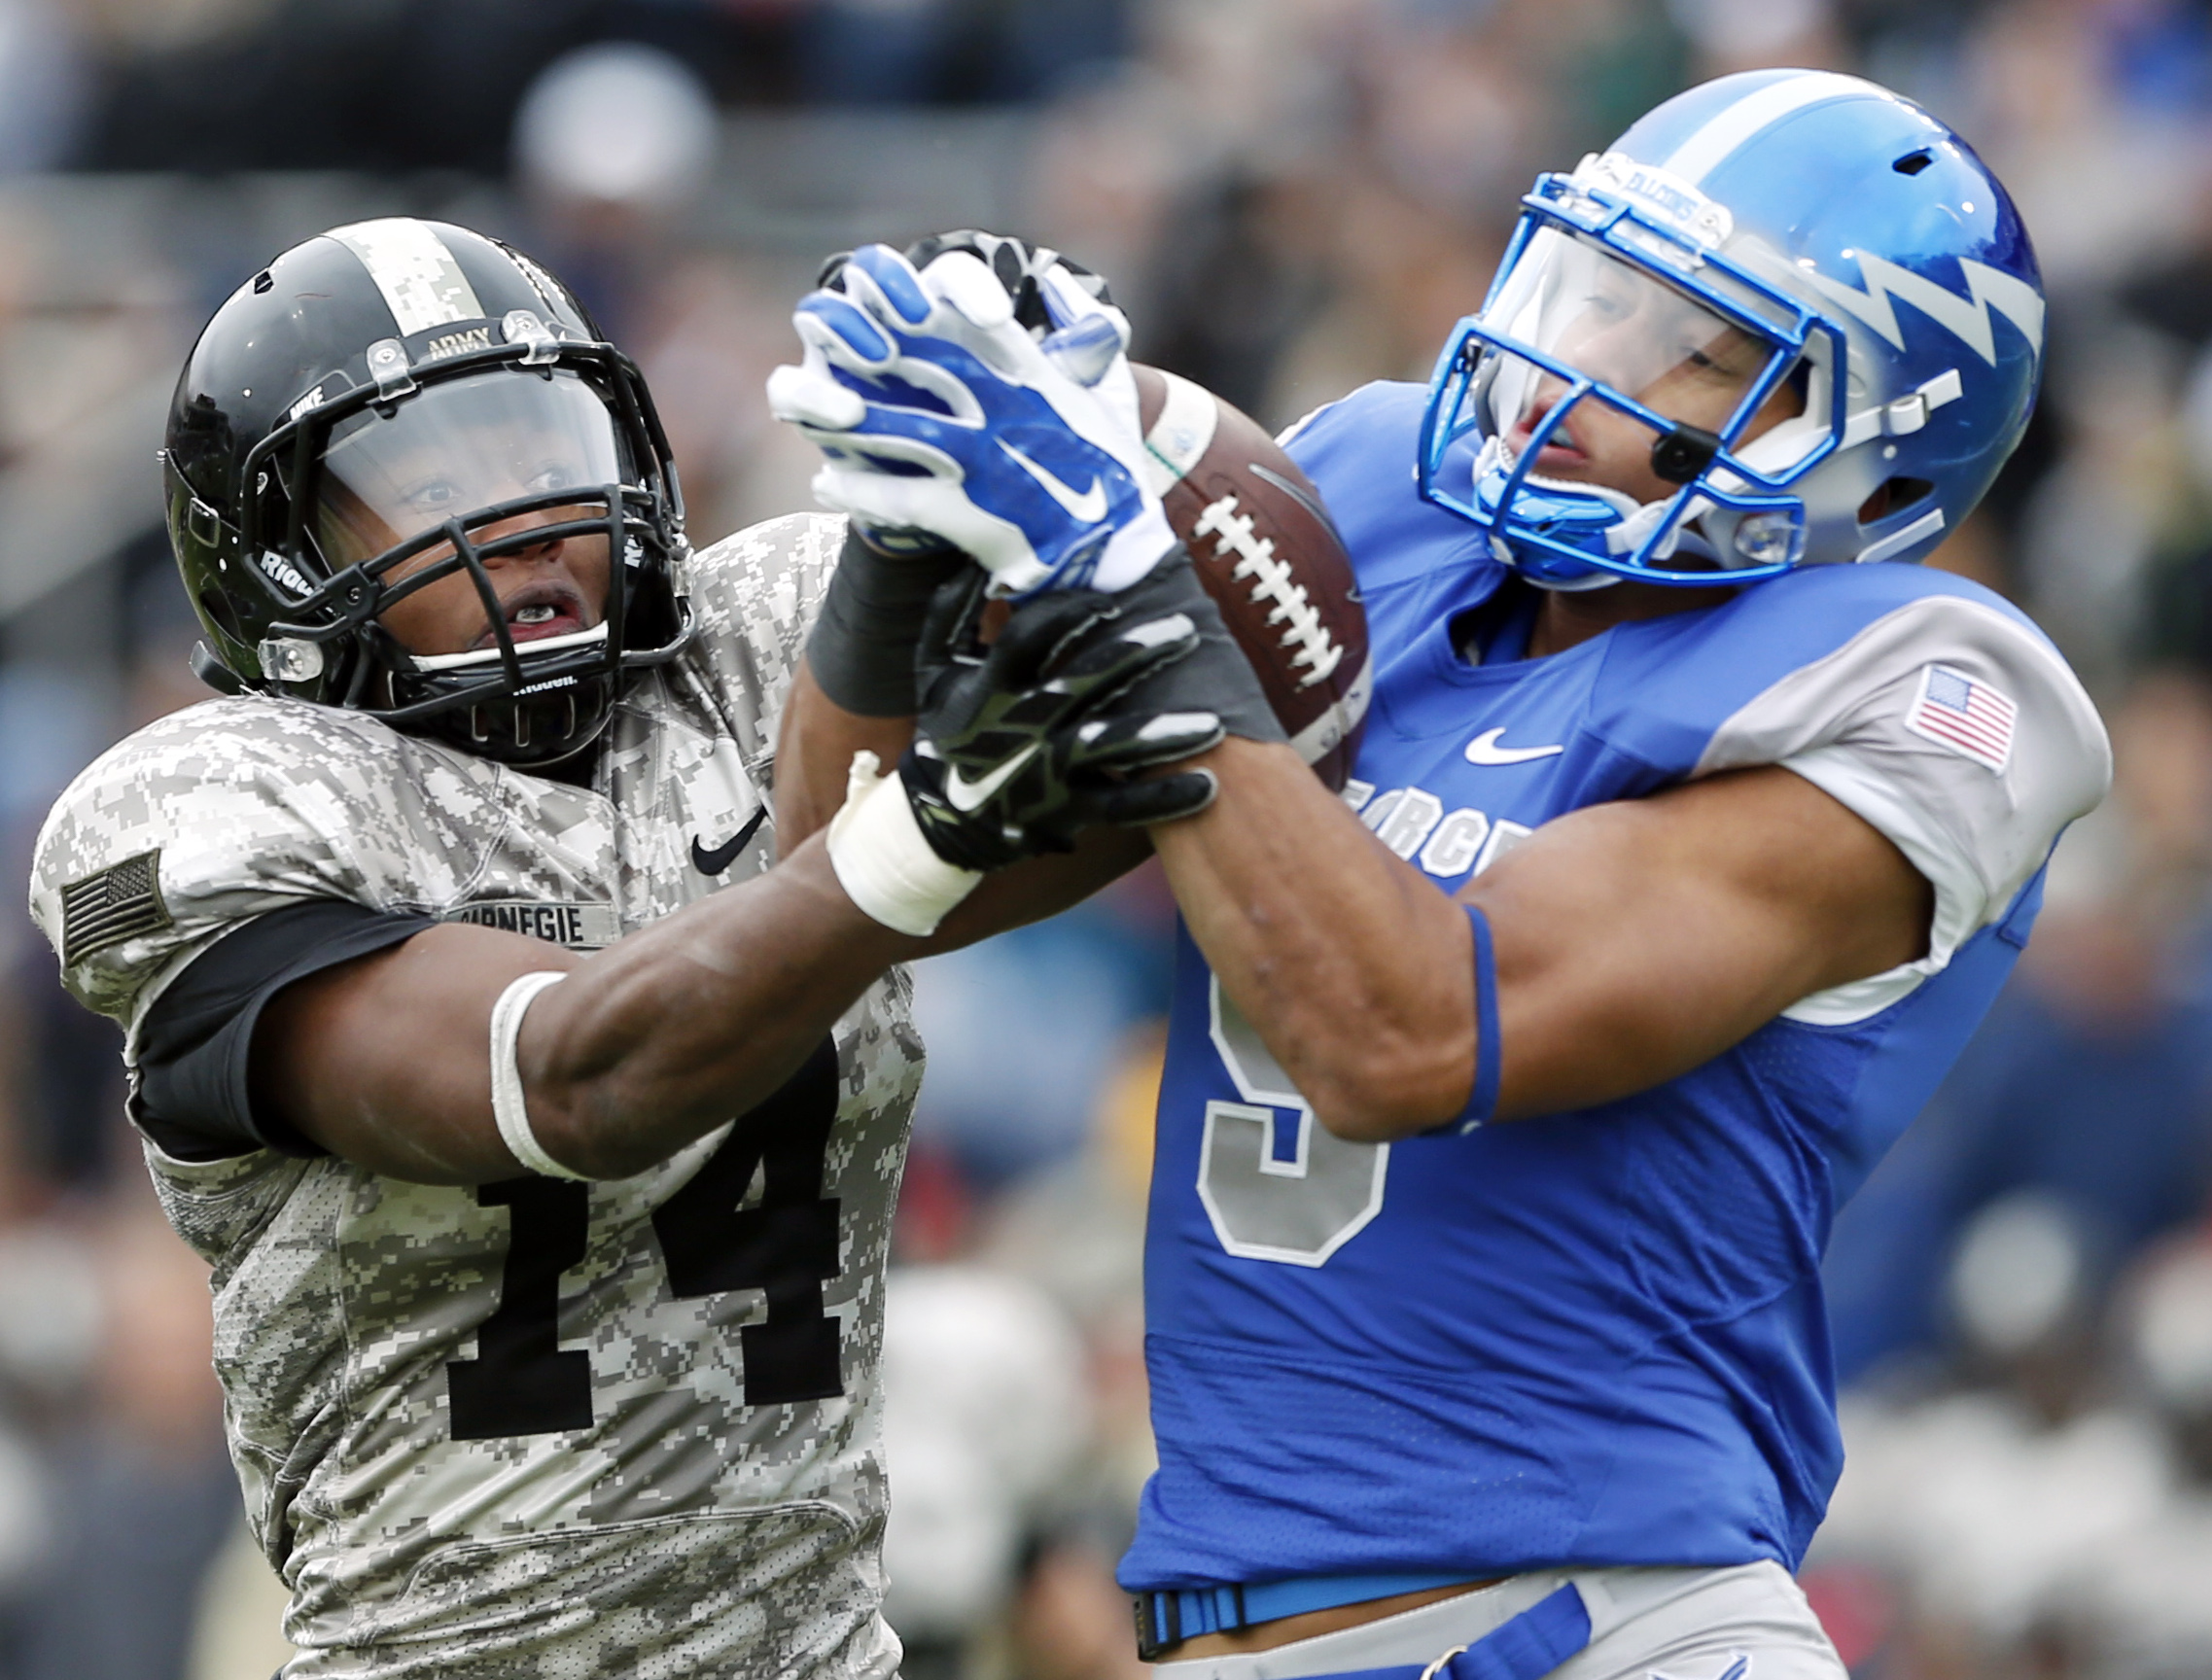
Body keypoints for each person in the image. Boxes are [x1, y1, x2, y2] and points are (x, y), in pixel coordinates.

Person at [767, 70, 2113, 1680]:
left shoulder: (1922, 684)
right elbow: (854, 869)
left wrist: (1135, 604)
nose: (1583, 373)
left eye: (1693, 351)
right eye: (1595, 296)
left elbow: (1407, 1032)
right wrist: (912, 529)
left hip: (1600, 1622)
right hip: (1222, 1619)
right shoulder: (1381, 495)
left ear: (1882, 471)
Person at [25, 218, 1214, 1677]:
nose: (523, 516)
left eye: (545, 450)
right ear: (272, 564)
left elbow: (1224, 669)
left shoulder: (753, 645)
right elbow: (577, 1081)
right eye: (428, 486)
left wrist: (1129, 421)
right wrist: (910, 839)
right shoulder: (214, 808)